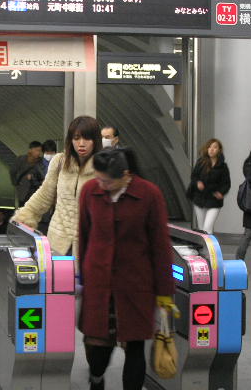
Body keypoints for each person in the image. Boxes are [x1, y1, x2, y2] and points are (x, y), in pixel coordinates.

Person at [78, 148, 176, 390]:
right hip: (98, 282)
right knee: (97, 347)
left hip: (136, 283)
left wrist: (164, 292)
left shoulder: (149, 194)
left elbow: (160, 245)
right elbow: (84, 235)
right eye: (98, 178)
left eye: (107, 181)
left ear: (125, 174)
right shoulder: (90, 191)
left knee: (134, 346)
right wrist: (83, 277)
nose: (101, 185)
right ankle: (96, 380)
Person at [12, 116, 101, 256]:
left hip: (91, 245)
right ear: (70, 140)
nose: (81, 144)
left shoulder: (104, 166)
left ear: (96, 140)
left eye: (87, 138)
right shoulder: (60, 161)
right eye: (76, 138)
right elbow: (45, 194)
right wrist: (24, 217)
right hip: (59, 242)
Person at [187, 138, 231, 234]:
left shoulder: (223, 166)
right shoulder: (201, 162)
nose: (211, 149)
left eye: (215, 147)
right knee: (202, 228)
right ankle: (205, 244)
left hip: (214, 200)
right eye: (209, 147)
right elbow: (194, 176)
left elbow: (226, 183)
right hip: (200, 199)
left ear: (219, 150)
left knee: (207, 227)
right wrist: (198, 182)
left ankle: (209, 243)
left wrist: (221, 192)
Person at [10, 141, 44, 207]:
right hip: (23, 192)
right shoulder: (21, 159)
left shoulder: (41, 161)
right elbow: (12, 171)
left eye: (40, 151)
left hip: (36, 192)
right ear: (30, 150)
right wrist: (16, 183)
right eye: (36, 150)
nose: (38, 153)